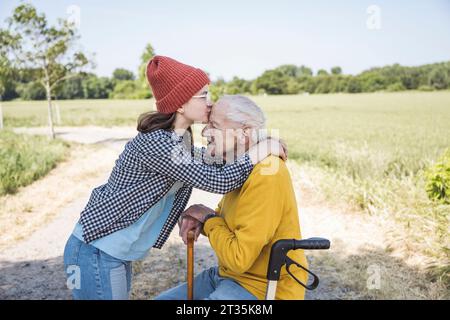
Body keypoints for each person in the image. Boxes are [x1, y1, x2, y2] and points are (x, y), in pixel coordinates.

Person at [63, 56, 286, 300]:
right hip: (95, 250)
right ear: (180, 104)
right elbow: (219, 180)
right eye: (203, 96)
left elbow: (214, 160)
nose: (210, 103)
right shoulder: (158, 144)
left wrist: (258, 141)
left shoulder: (180, 143)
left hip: (110, 252)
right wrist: (258, 152)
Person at [155, 95, 308, 300]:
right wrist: (203, 216)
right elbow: (232, 222)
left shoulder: (267, 174)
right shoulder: (239, 166)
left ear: (245, 133)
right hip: (229, 277)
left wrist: (208, 219)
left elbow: (238, 258)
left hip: (262, 287)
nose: (205, 131)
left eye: (215, 126)